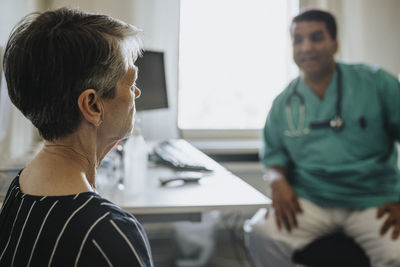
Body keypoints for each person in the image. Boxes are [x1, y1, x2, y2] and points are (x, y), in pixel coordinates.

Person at [245, 9, 400, 267]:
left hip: (374, 201)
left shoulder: (377, 84)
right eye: (298, 40)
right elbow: (274, 156)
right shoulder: (283, 103)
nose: (306, 47)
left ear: (335, 43)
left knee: (396, 255)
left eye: (316, 37)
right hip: (312, 200)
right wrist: (277, 180)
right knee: (262, 234)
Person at [0, 8, 153, 266]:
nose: (136, 93)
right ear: (92, 105)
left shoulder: (19, 189)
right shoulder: (108, 234)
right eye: (130, 82)